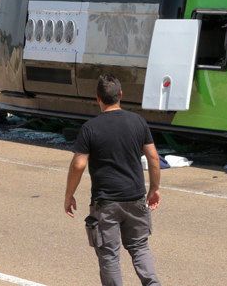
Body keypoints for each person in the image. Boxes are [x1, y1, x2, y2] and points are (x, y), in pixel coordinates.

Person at [65, 74, 162, 285]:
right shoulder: (138, 122)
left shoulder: (90, 128)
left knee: (109, 254)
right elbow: (153, 157)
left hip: (106, 202)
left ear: (98, 98)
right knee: (139, 247)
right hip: (136, 198)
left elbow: (78, 164)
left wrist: (69, 194)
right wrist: (154, 188)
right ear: (120, 95)